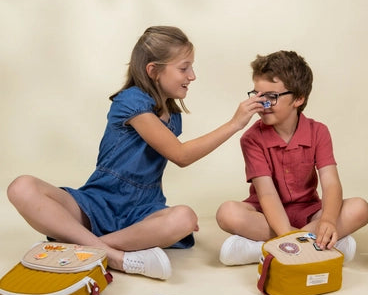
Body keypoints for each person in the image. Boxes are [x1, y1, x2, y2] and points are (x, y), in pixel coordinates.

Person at [8, 26, 264, 279]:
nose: (192, 76)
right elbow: (181, 155)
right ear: (153, 71)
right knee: (21, 187)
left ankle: (87, 249)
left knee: (185, 218)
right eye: (184, 68)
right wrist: (235, 124)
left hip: (141, 211)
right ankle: (114, 256)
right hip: (98, 202)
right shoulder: (131, 101)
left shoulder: (173, 116)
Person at [216, 50, 368, 265]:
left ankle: (267, 248)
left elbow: (331, 183)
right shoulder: (251, 139)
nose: (263, 104)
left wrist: (327, 220)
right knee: (227, 213)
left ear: (298, 98)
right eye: (258, 96)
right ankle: (317, 245)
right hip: (265, 213)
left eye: (271, 97)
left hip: (309, 213)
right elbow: (267, 194)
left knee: (360, 208)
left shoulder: (319, 131)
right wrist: (287, 233)